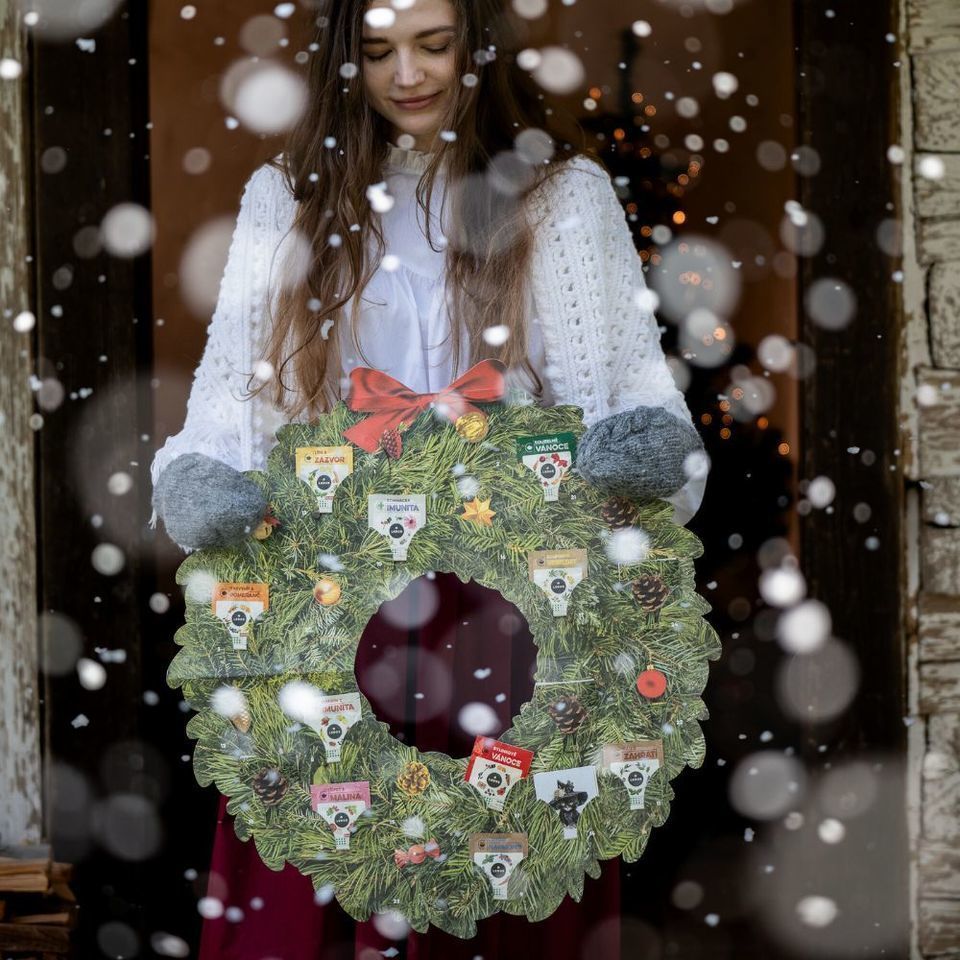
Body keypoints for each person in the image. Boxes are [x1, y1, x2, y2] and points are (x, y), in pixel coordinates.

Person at [150, 0, 707, 956]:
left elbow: (635, 392)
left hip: (517, 607)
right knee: (315, 875)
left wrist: (644, 448)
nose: (406, 75)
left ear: (477, 45)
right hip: (329, 603)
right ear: (344, 61)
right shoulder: (287, 198)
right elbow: (228, 409)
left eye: (433, 46)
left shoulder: (561, 194)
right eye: (376, 52)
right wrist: (201, 484)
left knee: (509, 871)